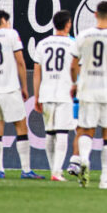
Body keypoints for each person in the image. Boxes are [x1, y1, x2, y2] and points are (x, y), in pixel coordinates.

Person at [69, 0, 107, 189]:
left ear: (95, 14)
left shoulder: (83, 36)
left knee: (86, 130)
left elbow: (73, 66)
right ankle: (104, 179)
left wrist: (75, 83)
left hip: (88, 89)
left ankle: (84, 160)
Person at [0, 10, 38, 179]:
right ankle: (26, 170)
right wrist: (24, 86)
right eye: (8, 21)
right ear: (3, 21)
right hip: (8, 87)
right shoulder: (11, 34)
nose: (9, 24)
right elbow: (20, 61)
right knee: (21, 126)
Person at [33, 10, 76, 181]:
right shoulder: (73, 44)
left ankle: (54, 170)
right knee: (62, 133)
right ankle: (57, 172)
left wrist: (37, 95)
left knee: (50, 134)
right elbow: (76, 68)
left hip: (46, 92)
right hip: (65, 92)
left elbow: (37, 72)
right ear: (67, 25)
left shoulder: (42, 44)